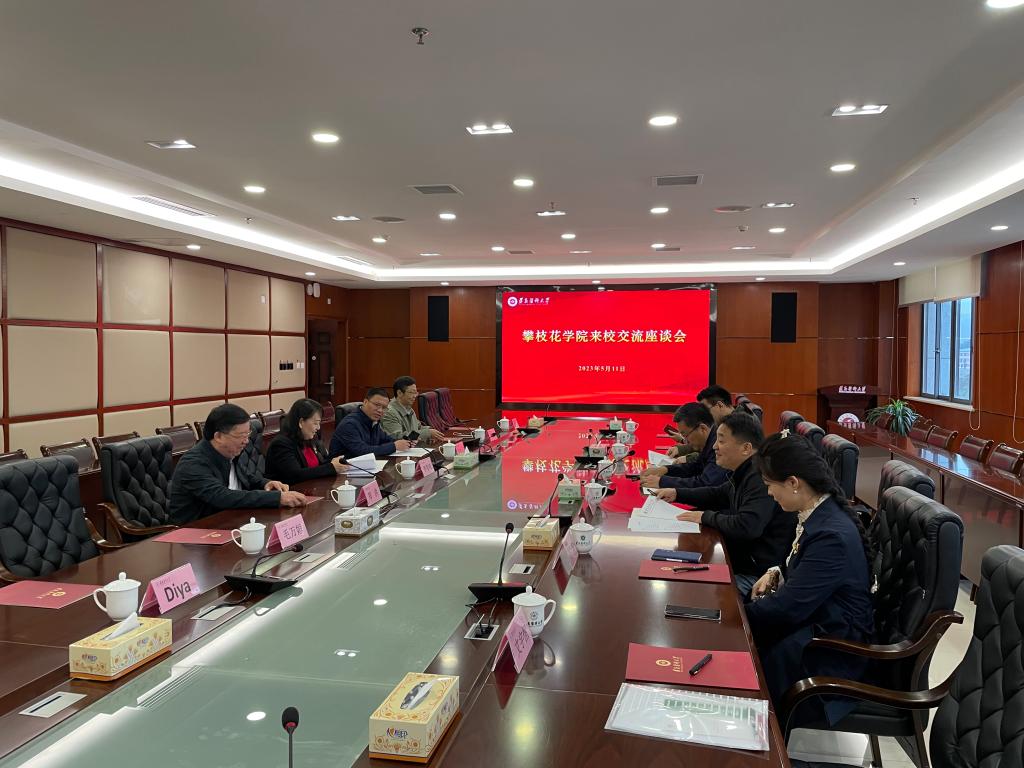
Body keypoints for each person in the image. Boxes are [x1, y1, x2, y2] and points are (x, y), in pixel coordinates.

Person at [745, 431, 874, 725]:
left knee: (744, 652)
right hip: (817, 625)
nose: (768, 493)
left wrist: (736, 618)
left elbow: (788, 608)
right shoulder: (818, 511)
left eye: (769, 485)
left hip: (828, 652)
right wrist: (776, 571)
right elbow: (800, 564)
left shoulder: (831, 536)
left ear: (793, 482)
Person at [655, 411, 795, 594]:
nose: (714, 446)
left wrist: (705, 516)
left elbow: (748, 526)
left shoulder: (761, 478)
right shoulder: (746, 469)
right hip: (740, 559)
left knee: (694, 591)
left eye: (721, 441)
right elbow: (718, 493)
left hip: (756, 575)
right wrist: (676, 493)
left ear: (746, 448)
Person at [169, 403, 306, 525]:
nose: (246, 441)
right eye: (241, 436)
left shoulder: (229, 452)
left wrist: (266, 483)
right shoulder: (193, 463)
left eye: (248, 434)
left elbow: (245, 477)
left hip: (229, 522)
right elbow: (222, 496)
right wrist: (276, 498)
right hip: (194, 533)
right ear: (218, 436)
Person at [640, 402, 727, 490]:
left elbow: (706, 484)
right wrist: (665, 470)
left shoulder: (719, 447)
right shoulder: (709, 440)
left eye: (685, 435)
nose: (685, 441)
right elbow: (696, 467)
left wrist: (662, 482)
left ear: (702, 428)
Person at [265, 398, 347, 485]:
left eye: (319, 423)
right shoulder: (281, 444)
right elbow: (295, 475)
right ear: (301, 422)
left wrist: (335, 462)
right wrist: (331, 467)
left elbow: (319, 465)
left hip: (312, 488)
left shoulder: (309, 438)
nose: (318, 428)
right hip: (289, 491)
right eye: (315, 423)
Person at [330, 387, 412, 458]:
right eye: (377, 405)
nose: (380, 410)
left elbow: (386, 439)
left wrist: (405, 442)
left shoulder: (373, 421)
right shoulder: (349, 424)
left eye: (384, 408)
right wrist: (394, 446)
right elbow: (362, 451)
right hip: (342, 469)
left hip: (364, 466)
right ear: (365, 402)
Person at [381, 376, 444, 444]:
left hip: (412, 447)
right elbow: (398, 437)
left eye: (416, 392)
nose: (415, 396)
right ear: (399, 393)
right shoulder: (389, 412)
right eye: (411, 392)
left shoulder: (408, 408)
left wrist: (430, 431)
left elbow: (418, 427)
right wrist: (427, 433)